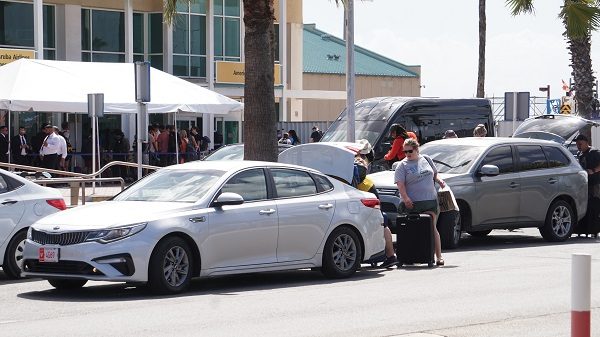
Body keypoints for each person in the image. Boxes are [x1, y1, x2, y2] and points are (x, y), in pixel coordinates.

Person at [395, 138, 445, 266]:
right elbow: (400, 185)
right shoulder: (402, 165)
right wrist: (406, 198)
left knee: (432, 227)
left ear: (416, 149)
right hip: (412, 203)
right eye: (405, 152)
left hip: (429, 201)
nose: (407, 154)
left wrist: (439, 181)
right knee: (412, 230)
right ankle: (412, 255)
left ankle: (438, 257)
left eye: (410, 151)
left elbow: (434, 174)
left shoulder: (426, 159)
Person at [575, 134, 600, 234]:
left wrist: (594, 170)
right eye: (577, 144)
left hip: (595, 184)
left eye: (580, 144)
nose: (578, 146)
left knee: (594, 206)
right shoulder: (579, 154)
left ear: (586, 142)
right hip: (585, 185)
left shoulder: (594, 152)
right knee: (586, 206)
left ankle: (594, 229)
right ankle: (585, 229)